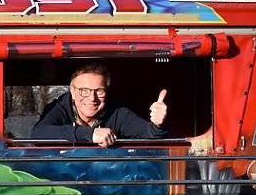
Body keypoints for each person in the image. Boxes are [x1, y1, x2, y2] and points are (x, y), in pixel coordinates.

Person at [31, 63, 168, 147]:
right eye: (84, 90)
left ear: (107, 92)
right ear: (72, 91)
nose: (92, 98)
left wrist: (158, 125)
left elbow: (150, 134)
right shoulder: (59, 108)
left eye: (99, 91)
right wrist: (90, 134)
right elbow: (38, 134)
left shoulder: (117, 112)